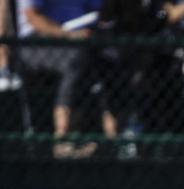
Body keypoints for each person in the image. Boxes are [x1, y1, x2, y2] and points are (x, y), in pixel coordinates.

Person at [17, 0, 117, 158]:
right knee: (75, 59)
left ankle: (114, 139)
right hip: (38, 43)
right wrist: (68, 35)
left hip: (82, 43)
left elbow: (102, 15)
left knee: (111, 58)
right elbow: (33, 18)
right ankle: (62, 138)